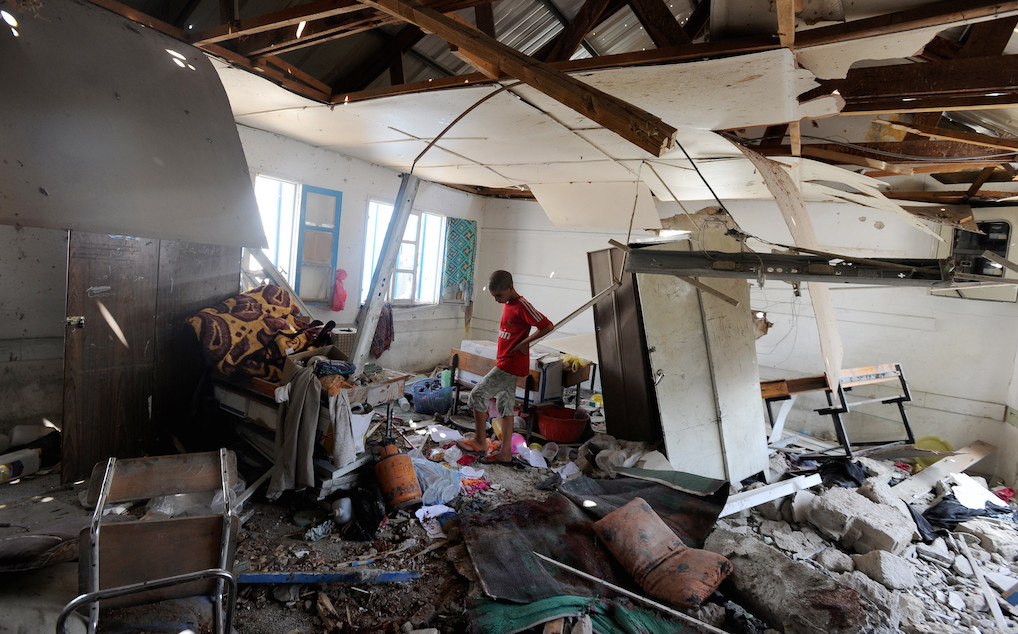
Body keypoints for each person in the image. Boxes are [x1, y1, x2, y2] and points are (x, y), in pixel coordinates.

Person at [458, 270, 553, 463]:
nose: (497, 300)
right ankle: (505, 454)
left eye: (499, 295)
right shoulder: (508, 302)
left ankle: (480, 441)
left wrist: (523, 343)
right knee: (506, 407)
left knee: (477, 394)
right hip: (505, 362)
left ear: (511, 288)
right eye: (494, 296)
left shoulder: (522, 305)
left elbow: (547, 325)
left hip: (510, 364)